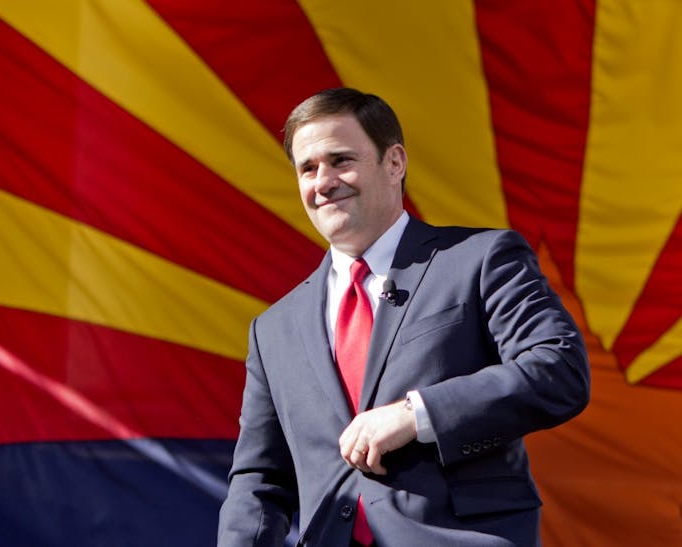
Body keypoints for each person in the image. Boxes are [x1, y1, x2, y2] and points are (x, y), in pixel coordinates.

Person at [218, 88, 589, 546]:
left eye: (340, 160)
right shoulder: (273, 329)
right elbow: (259, 480)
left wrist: (417, 414)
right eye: (307, 168)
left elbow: (558, 368)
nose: (324, 181)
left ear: (394, 163)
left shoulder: (480, 259)